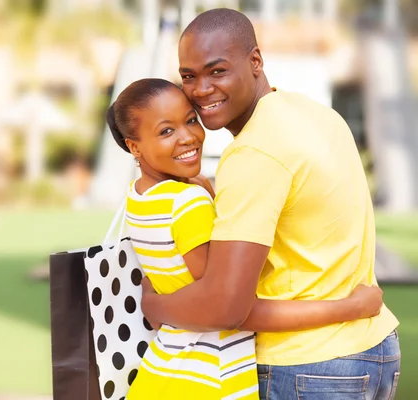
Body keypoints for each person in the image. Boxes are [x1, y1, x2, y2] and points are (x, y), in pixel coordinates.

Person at [139, 9, 400, 400]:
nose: (200, 89)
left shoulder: (255, 152)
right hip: (374, 350)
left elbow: (227, 307)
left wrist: (155, 306)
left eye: (217, 71)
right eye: (189, 76)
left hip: (307, 366)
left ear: (255, 62)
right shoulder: (314, 114)